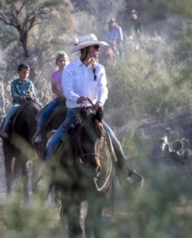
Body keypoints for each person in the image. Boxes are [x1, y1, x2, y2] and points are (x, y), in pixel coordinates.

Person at [44, 33, 143, 187]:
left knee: (114, 141)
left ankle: (125, 175)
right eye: (95, 47)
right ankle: (47, 179)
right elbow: (67, 89)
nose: (98, 50)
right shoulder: (70, 69)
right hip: (74, 113)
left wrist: (101, 102)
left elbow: (103, 88)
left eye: (98, 47)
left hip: (93, 114)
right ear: (85, 49)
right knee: (52, 145)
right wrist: (78, 98)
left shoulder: (100, 69)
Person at [32, 51, 69, 143]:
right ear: (57, 62)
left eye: (64, 60)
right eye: (60, 61)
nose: (62, 63)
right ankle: (40, 133)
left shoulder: (70, 73)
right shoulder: (55, 75)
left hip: (70, 99)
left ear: (67, 61)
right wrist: (60, 95)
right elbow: (53, 88)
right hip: (59, 99)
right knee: (46, 112)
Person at [0, 63, 35, 140]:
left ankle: (41, 130)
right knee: (11, 111)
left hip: (29, 103)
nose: (26, 74)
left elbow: (33, 94)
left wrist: (31, 95)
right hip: (18, 103)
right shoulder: (14, 83)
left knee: (40, 109)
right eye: (24, 72)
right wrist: (20, 97)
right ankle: (4, 129)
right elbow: (14, 94)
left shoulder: (30, 83)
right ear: (18, 72)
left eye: (27, 72)